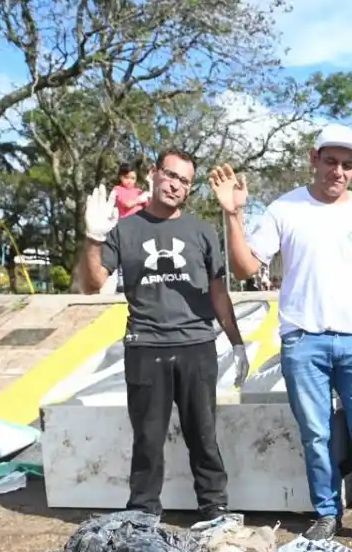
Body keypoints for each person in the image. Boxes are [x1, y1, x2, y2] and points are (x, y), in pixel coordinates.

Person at [211, 124, 352, 549]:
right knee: (316, 433)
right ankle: (327, 513)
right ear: (314, 159)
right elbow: (243, 268)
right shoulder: (284, 209)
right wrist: (233, 214)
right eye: (330, 161)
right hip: (302, 339)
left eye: (347, 165)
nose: (338, 171)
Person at [76, 149, 248, 525]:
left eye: (184, 181)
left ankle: (214, 508)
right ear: (153, 174)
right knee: (148, 439)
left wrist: (236, 341)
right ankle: (142, 511)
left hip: (196, 346)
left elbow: (219, 291)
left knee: (203, 435)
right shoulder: (124, 230)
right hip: (145, 345)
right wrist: (93, 238)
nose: (175, 185)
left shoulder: (202, 231)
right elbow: (93, 285)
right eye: (170, 175)